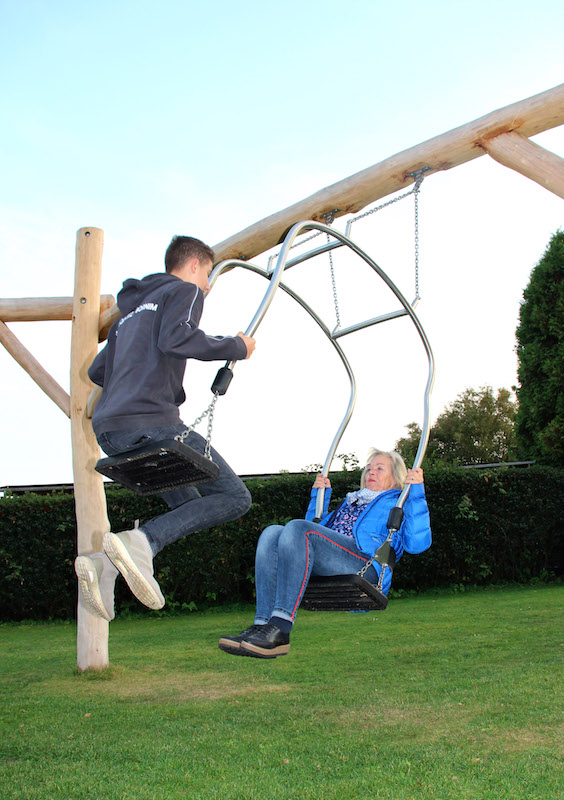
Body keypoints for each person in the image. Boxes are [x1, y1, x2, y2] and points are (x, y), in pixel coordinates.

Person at [75, 235, 256, 622]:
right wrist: (236, 347)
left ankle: (103, 565)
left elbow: (97, 370)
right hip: (152, 422)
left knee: (189, 506)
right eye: (208, 275)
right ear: (194, 265)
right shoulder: (185, 290)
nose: (207, 285)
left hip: (111, 432)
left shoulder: (129, 314)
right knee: (235, 497)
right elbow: (177, 338)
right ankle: (141, 542)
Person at [218, 448, 431, 659]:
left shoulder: (399, 503)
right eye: (368, 469)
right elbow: (302, 538)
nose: (371, 472)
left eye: (379, 468)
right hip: (335, 560)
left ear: (396, 477)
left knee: (298, 528)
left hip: (364, 565)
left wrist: (415, 494)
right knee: (271, 533)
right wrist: (319, 497)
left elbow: (417, 544)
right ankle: (262, 625)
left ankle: (281, 627)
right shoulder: (351, 501)